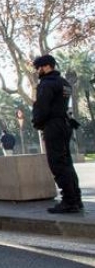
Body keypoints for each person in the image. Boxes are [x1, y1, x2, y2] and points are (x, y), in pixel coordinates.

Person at [31, 54, 83, 214]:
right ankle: (76, 199)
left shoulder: (46, 84)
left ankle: (69, 201)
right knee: (66, 163)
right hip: (65, 124)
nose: (37, 71)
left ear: (46, 66)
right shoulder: (65, 83)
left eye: (39, 68)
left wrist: (37, 122)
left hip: (53, 126)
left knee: (57, 164)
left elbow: (43, 107)